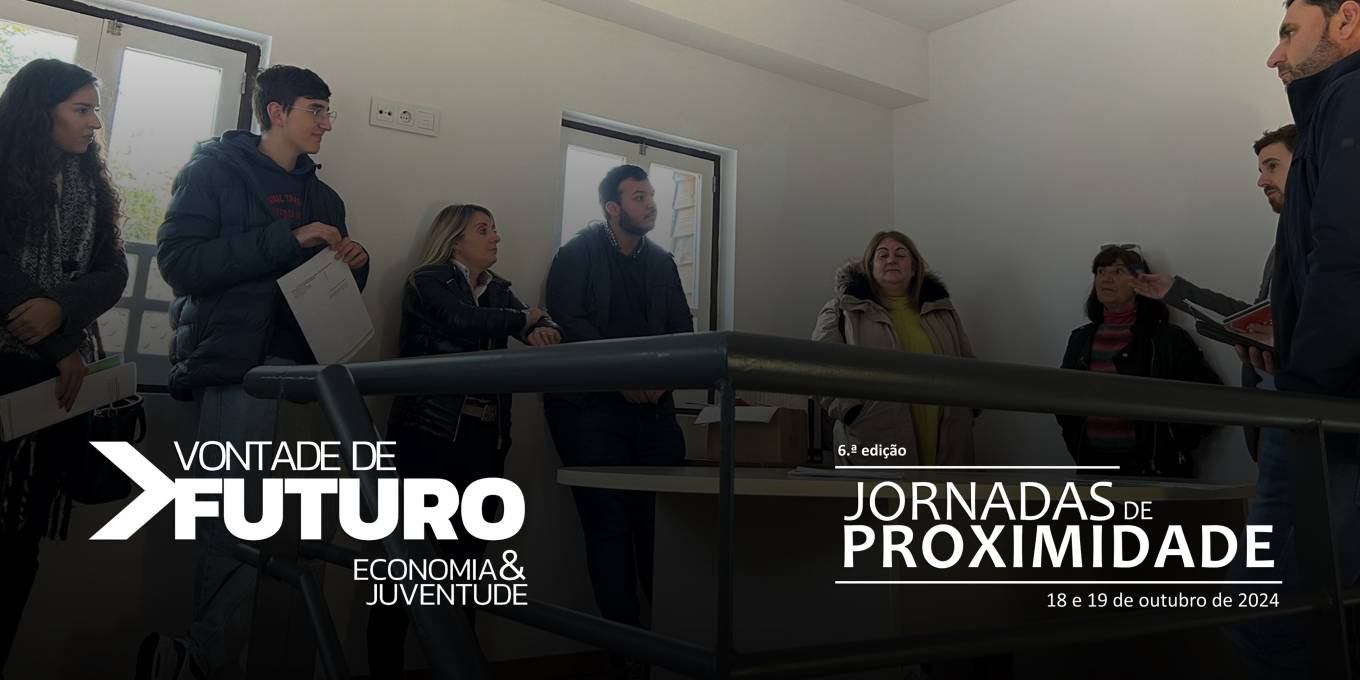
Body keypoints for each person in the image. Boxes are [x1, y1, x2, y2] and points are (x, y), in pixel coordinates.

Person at [141, 65, 369, 680]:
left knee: (307, 530)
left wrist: (355, 261)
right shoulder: (213, 170)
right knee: (235, 524)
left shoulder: (327, 198)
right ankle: (207, 663)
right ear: (276, 112)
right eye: (316, 110)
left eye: (328, 112)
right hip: (238, 369)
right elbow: (180, 264)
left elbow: (332, 286)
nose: (327, 123)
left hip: (310, 376)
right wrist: (288, 239)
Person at [365, 204, 559, 677]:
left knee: (465, 574)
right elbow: (458, 319)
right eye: (483, 230)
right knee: (401, 576)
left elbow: (545, 323)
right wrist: (524, 320)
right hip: (425, 440)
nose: (496, 237)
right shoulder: (426, 281)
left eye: (495, 228)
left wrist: (541, 328)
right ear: (455, 240)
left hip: (482, 442)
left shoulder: (500, 292)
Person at [1227, 1, 1360, 675]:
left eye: (1287, 33)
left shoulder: (1348, 100)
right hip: (1327, 394)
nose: (1274, 55)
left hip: (1325, 406)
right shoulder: (1329, 115)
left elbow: (1349, 257)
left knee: (1272, 618)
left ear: (1347, 21)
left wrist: (1301, 383)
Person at [0, 58, 128, 680]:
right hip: (19, 369)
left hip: (56, 388)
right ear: (39, 111)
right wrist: (57, 342)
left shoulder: (91, 186)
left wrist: (60, 312)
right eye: (81, 109)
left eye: (94, 109)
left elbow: (113, 271)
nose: (95, 123)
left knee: (19, 547)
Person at [543, 164, 692, 676]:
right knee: (608, 529)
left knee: (664, 530)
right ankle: (627, 655)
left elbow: (682, 331)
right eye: (639, 197)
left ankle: (671, 653)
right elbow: (569, 324)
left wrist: (660, 381)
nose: (651, 205)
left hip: (653, 410)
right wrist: (619, 378)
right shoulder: (576, 254)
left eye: (651, 196)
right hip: (591, 411)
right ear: (612, 207)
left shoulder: (662, 262)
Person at [1131, 124, 1296, 460]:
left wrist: (1291, 351)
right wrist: (1176, 291)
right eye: (1260, 170)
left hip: (1315, 418)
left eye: (1272, 166)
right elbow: (1255, 315)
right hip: (1273, 414)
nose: (1261, 181)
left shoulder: (1336, 237)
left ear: (1307, 163)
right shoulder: (1282, 242)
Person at [811, 230, 977, 466]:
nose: (891, 260)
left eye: (900, 254)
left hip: (947, 436)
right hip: (873, 434)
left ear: (914, 268)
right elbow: (820, 366)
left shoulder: (942, 311)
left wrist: (970, 409)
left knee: (939, 490)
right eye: (882, 255)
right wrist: (852, 412)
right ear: (869, 266)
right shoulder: (841, 311)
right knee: (885, 490)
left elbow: (968, 363)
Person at [1057, 245, 1221, 477]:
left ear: (1139, 283)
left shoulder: (1167, 339)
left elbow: (1210, 397)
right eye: (1101, 271)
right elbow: (1062, 400)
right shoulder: (1081, 339)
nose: (1106, 278)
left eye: (1118, 271)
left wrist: (1171, 443)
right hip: (1094, 466)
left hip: (1152, 470)